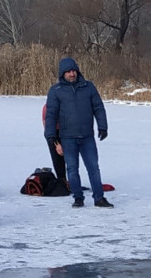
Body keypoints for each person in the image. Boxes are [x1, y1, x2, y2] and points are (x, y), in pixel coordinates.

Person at [44, 57, 113, 208]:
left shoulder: (88, 87)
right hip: (67, 138)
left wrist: (103, 126)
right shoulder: (56, 91)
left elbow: (98, 107)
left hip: (87, 136)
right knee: (72, 169)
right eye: (68, 72)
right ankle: (78, 197)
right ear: (62, 74)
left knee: (93, 168)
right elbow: (51, 115)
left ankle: (99, 198)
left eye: (73, 70)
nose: (71, 74)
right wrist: (52, 138)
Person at [42, 103, 66, 182]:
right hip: (53, 132)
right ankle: (62, 181)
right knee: (58, 159)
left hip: (67, 131)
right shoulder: (48, 107)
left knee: (69, 159)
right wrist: (54, 142)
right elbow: (45, 123)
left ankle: (70, 182)